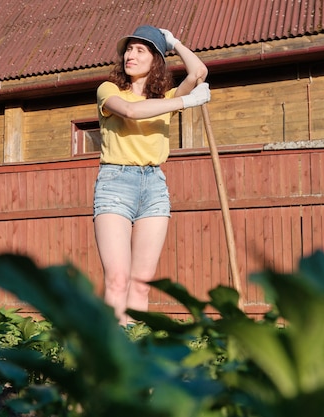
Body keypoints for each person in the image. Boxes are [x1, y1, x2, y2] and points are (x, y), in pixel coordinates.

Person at [94, 25, 210, 326]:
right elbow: (131, 113)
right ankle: (112, 356)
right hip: (115, 182)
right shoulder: (108, 91)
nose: (130, 55)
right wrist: (186, 102)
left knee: (141, 283)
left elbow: (199, 72)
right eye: (128, 49)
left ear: (156, 59)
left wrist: (174, 42)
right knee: (118, 279)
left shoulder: (165, 98)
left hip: (154, 186)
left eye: (140, 50)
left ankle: (137, 357)